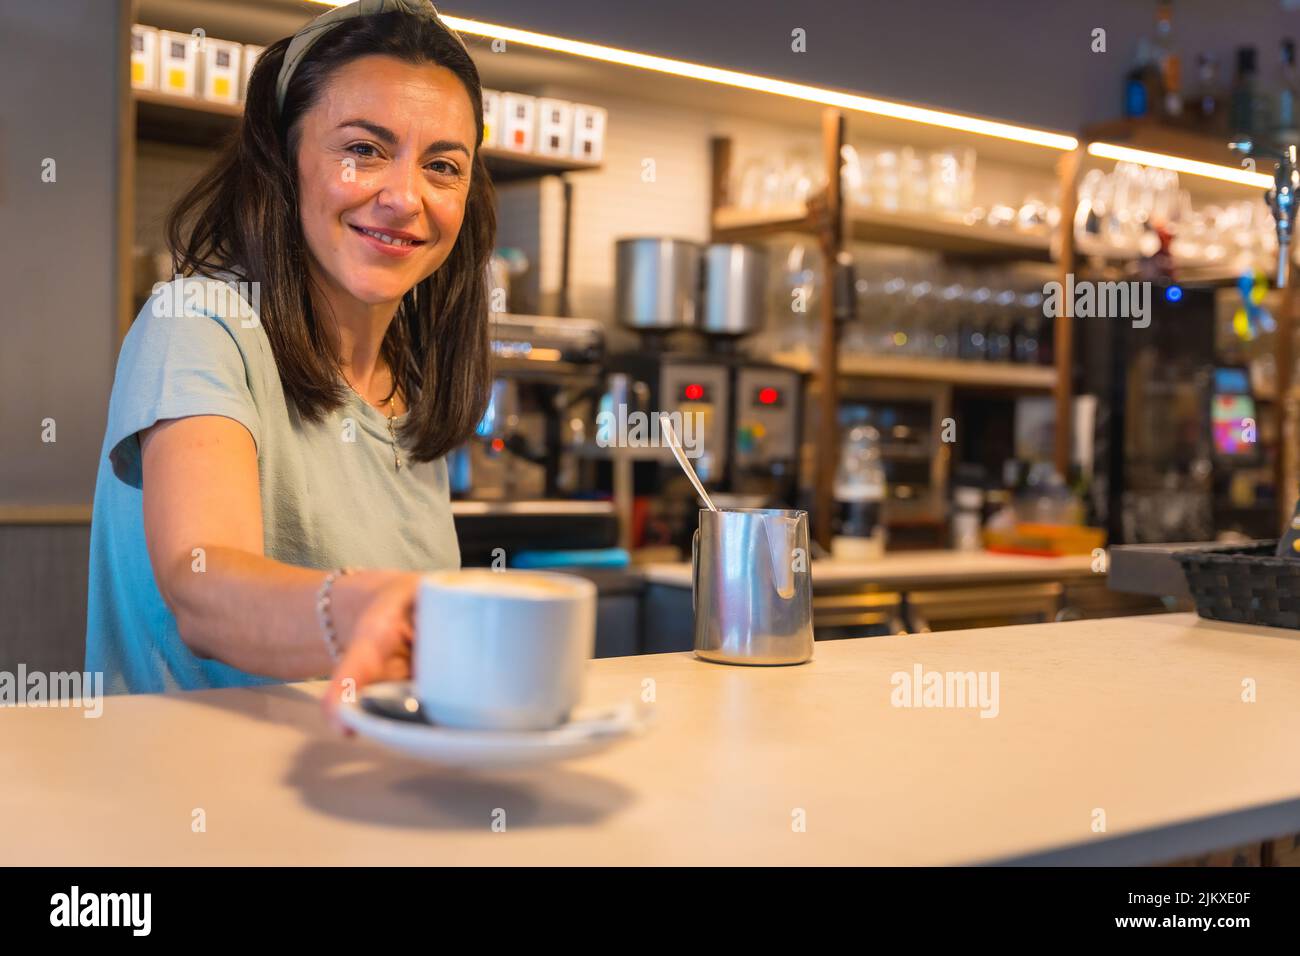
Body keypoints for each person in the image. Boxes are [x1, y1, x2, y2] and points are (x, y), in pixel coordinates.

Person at [85, 0, 494, 730]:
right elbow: (201, 587)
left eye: (443, 166)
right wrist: (359, 605)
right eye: (363, 150)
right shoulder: (199, 324)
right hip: (186, 810)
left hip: (361, 803)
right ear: (283, 158)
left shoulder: (414, 385)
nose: (405, 197)